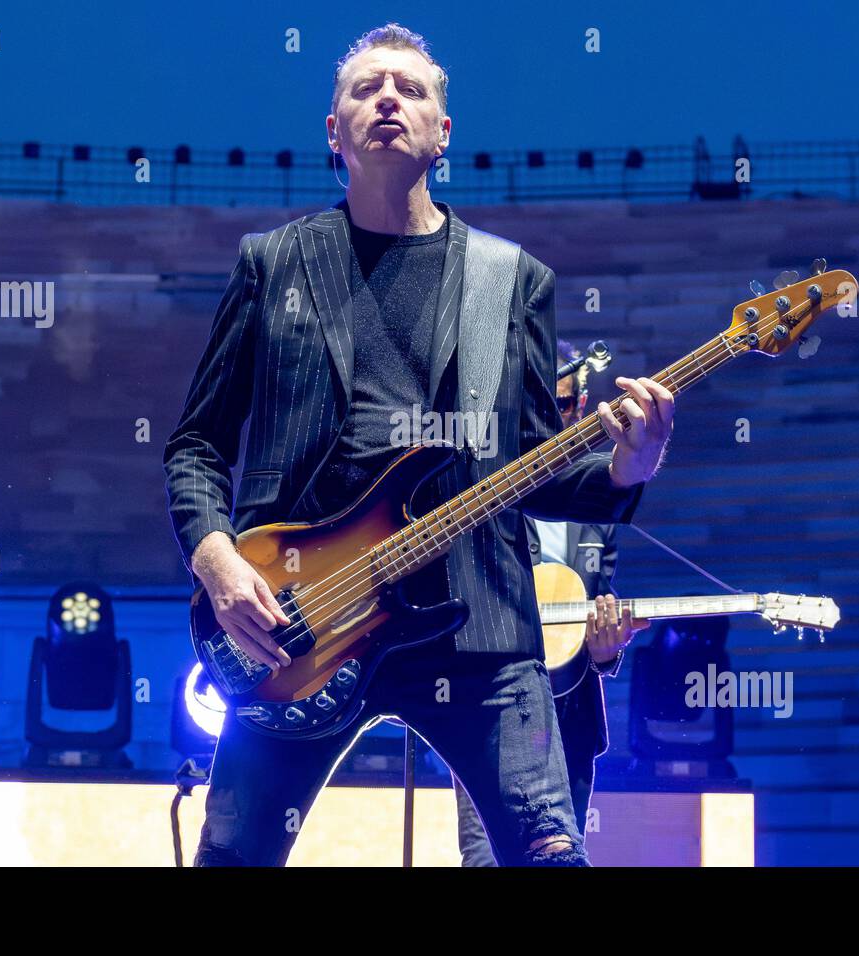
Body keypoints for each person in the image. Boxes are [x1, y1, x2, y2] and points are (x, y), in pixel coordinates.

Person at [162, 23, 673, 866]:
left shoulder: (512, 282)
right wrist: (217, 563)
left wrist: (630, 465)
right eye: (366, 88)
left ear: (444, 131)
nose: (388, 99)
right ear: (334, 132)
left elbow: (535, 468)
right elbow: (195, 444)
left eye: (411, 88)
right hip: (300, 621)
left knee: (550, 856)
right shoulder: (273, 265)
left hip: (478, 628)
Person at [453, 344, 652, 865]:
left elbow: (598, 614)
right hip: (492, 708)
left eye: (561, 406)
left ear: (582, 404)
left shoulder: (601, 502)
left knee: (563, 855)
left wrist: (608, 651)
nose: (551, 421)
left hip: (570, 715)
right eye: (537, 407)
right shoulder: (486, 490)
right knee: (486, 859)